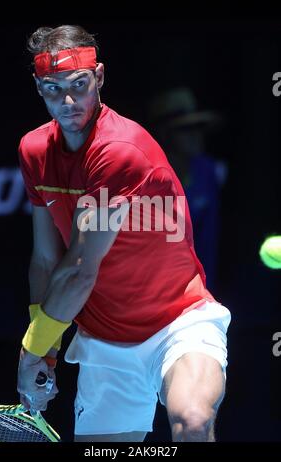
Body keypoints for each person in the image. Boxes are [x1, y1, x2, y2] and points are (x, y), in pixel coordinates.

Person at [17, 25, 231, 443]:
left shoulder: (120, 152)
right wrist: (45, 349)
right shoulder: (33, 151)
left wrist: (29, 351)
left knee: (192, 421)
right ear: (38, 88)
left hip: (177, 322)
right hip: (103, 339)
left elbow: (79, 270)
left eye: (79, 85)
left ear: (98, 77)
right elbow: (45, 258)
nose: (67, 101)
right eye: (52, 88)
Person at [148, 87, 227, 290]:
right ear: (163, 133)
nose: (195, 135)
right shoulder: (146, 180)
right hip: (158, 293)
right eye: (184, 129)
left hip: (205, 292)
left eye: (198, 127)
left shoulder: (212, 171)